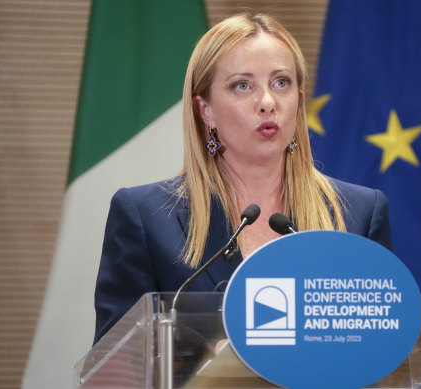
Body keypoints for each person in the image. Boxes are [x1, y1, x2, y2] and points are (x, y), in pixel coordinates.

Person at [93, 13, 392, 344]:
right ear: (204, 110)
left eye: (282, 82)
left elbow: (383, 352)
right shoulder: (147, 219)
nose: (267, 102)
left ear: (300, 100)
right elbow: (117, 369)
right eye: (242, 85)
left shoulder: (358, 214)